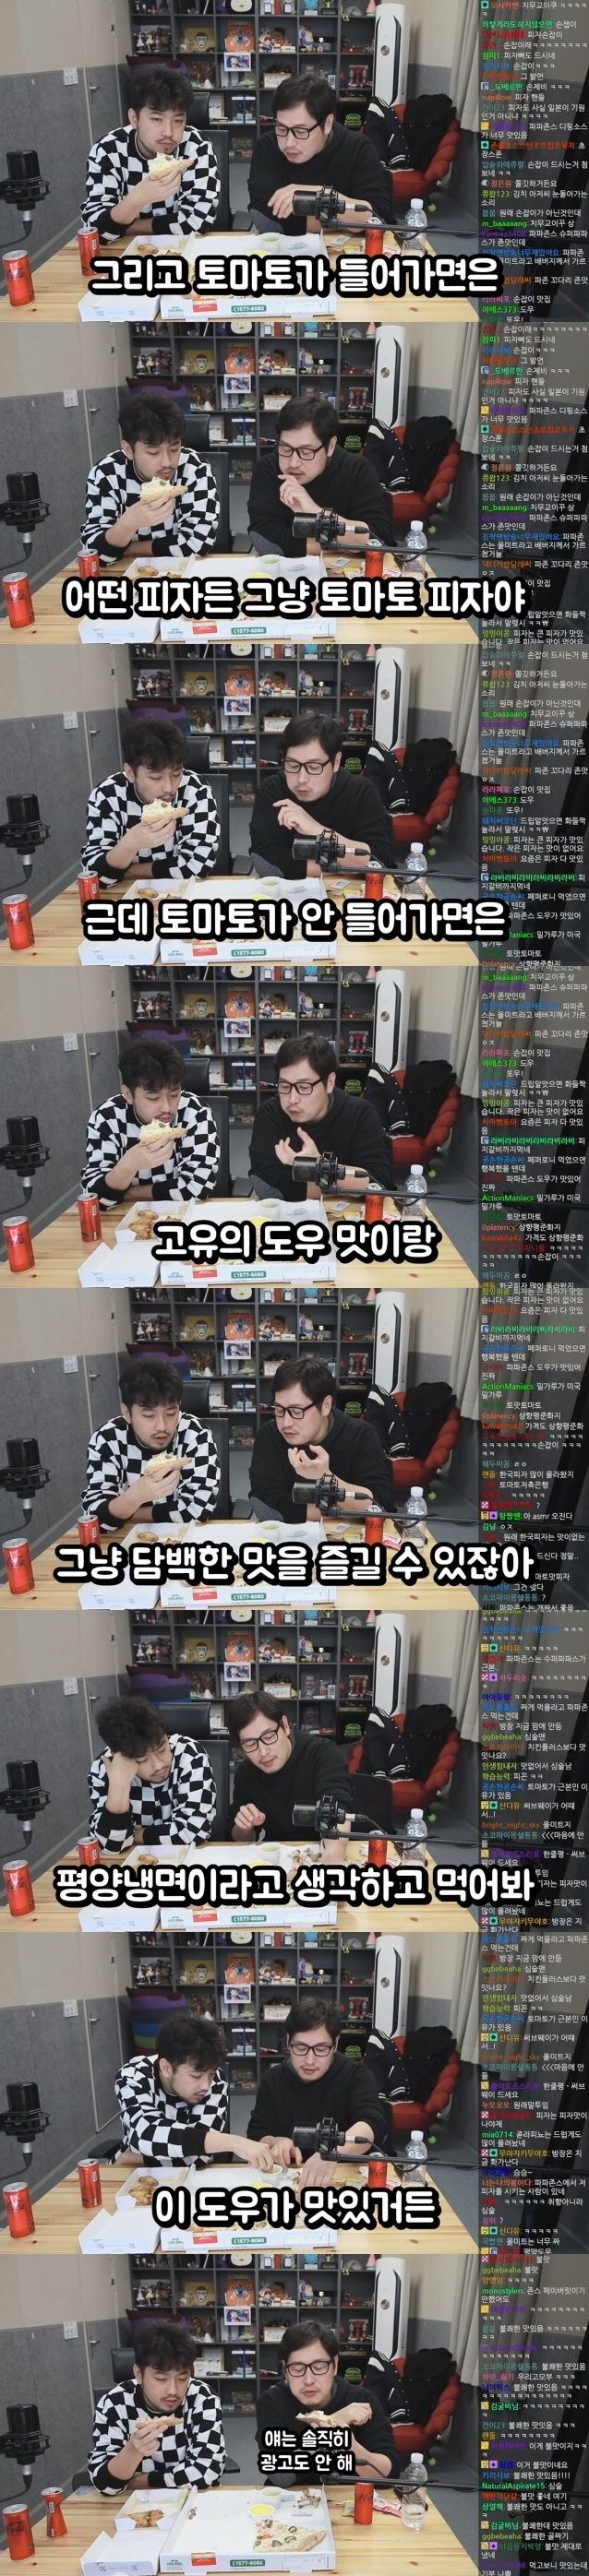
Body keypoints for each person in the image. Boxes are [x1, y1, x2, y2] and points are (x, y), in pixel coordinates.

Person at [115, 2008, 276, 2168]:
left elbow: (199, 2157)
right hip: (132, 2172)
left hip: (160, 2168)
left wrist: (139, 2158)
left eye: (210, 2074)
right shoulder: (133, 2076)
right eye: (196, 2076)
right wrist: (234, 2142)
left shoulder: (217, 2081)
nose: (206, 2085)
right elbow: (145, 2135)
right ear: (166, 2068)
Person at [247, 1998, 386, 2182]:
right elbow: (256, 2133)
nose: (310, 2060)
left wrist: (331, 2153)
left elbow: (370, 2124)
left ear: (335, 2044)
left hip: (342, 2176)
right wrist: (275, 2142)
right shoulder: (273, 2079)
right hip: (288, 2177)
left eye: (321, 2049)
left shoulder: (356, 2075)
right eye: (301, 2047)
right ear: (289, 2042)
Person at [80, 64, 220, 243]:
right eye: (156, 119)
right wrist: (136, 200)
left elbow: (198, 222)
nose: (169, 132)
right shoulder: (109, 150)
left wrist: (128, 226)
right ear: (134, 119)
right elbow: (96, 231)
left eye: (178, 121)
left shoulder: (196, 148)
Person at [80, 1034, 221, 1208]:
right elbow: (94, 1197)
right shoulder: (107, 1117)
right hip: (123, 1217)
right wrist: (129, 1165)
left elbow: (198, 1188)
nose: (167, 1108)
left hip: (181, 1215)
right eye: (153, 1098)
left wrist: (128, 1193)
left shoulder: (195, 1112)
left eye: (174, 1094)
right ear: (129, 1094)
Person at [249, 712, 393, 881]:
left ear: (336, 762)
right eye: (293, 765)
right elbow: (266, 861)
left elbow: (380, 861)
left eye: (314, 767)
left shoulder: (361, 792)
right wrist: (348, 867)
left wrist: (317, 830)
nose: (301, 779)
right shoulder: (272, 790)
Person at [250, 1356, 395, 1522]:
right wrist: (345, 1510)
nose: (286, 1423)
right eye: (279, 1409)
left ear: (326, 1405)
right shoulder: (270, 1435)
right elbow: (266, 1506)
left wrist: (326, 1478)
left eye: (296, 1411)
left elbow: (380, 1506)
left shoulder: (360, 1435)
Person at [81, 1355, 221, 1528]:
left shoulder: (195, 1434)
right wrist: (135, 1497)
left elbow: (198, 1510)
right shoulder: (108, 1438)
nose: (162, 1426)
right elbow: (95, 1517)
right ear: (127, 1413)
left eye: (171, 1413)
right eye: (149, 1415)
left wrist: (127, 1512)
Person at [80, 390, 220, 563]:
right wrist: (129, 522)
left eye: (174, 449)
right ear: (129, 449)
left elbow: (198, 544)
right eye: (153, 452)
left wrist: (128, 548)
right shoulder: (107, 473)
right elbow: (94, 553)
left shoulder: (195, 468)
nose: (167, 462)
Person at [82, 714, 222, 887]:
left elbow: (199, 866)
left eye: (176, 774)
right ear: (130, 773)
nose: (169, 788)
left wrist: (128, 871)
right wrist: (130, 844)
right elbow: (94, 875)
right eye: (156, 777)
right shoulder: (107, 795)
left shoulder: (196, 790)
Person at [249, 1033, 392, 1200]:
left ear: (329, 1082)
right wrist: (344, 1185)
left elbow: (379, 1182)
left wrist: (321, 1167)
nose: (292, 1099)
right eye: (284, 1085)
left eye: (304, 1087)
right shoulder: (270, 1114)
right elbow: (266, 1185)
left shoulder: (360, 1113)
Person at [89, 2322, 226, 2493]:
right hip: (133, 2502)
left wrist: (148, 2480)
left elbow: (207, 2471)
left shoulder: (202, 2398)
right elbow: (104, 2484)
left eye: (182, 2378)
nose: (173, 2391)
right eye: (161, 2379)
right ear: (139, 2374)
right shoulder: (115, 2403)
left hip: (192, 2499)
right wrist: (133, 2451)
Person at [248, 395, 392, 557]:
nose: (293, 463)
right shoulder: (268, 469)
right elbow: (266, 540)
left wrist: (317, 513)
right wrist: (348, 545)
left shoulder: (357, 470)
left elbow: (379, 539)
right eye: (286, 448)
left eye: (306, 452)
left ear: (330, 446)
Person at [248, 74, 391, 233]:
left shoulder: (358, 147)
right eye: (281, 128)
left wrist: (321, 197)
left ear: (327, 124)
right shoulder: (267, 146)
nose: (289, 143)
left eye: (300, 131)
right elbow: (266, 218)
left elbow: (377, 218)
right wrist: (347, 221)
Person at [258, 2321, 399, 2481]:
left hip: (349, 2495)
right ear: (285, 2369)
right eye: (297, 2369)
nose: (308, 2380)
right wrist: (333, 2422)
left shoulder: (362, 2401)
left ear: (335, 2365)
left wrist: (350, 2446)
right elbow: (280, 2477)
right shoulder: (272, 2402)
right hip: (292, 2496)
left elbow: (389, 2474)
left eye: (319, 2367)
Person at [226, 1689, 355, 1859]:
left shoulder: (322, 1753)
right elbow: (239, 1838)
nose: (263, 1752)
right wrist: (245, 1827)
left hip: (327, 1852)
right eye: (250, 1744)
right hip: (280, 1858)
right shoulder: (246, 1773)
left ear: (285, 1726)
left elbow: (338, 1810)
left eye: (268, 1736)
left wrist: (332, 1857)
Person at [89, 1693, 216, 1850]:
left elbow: (194, 1831)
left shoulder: (190, 1754)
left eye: (162, 1749)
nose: (158, 1765)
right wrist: (118, 1786)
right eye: (142, 1759)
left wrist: (133, 1836)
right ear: (121, 1756)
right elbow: (109, 1846)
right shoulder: (104, 1768)